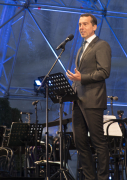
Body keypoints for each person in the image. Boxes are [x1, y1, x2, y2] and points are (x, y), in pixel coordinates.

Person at [66, 13, 111, 180]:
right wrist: (71, 92)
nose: (81, 27)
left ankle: (102, 177)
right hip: (78, 101)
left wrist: (81, 78)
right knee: (79, 142)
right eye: (79, 24)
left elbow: (104, 72)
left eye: (85, 24)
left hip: (93, 100)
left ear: (94, 26)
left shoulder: (102, 45)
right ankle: (90, 177)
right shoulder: (80, 49)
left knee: (98, 142)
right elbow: (79, 75)